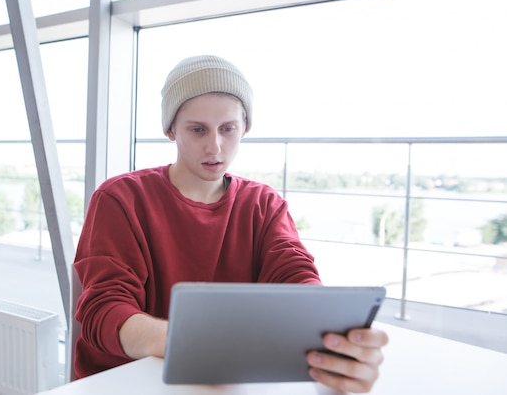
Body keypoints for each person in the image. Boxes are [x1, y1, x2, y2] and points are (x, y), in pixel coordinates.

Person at [73, 55, 388, 393]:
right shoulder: (121, 198)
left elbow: (296, 276)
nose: (215, 147)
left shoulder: (264, 205)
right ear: (170, 130)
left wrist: (331, 341)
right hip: (125, 383)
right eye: (197, 130)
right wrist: (190, 342)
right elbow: (103, 309)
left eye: (228, 129)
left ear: (244, 128)